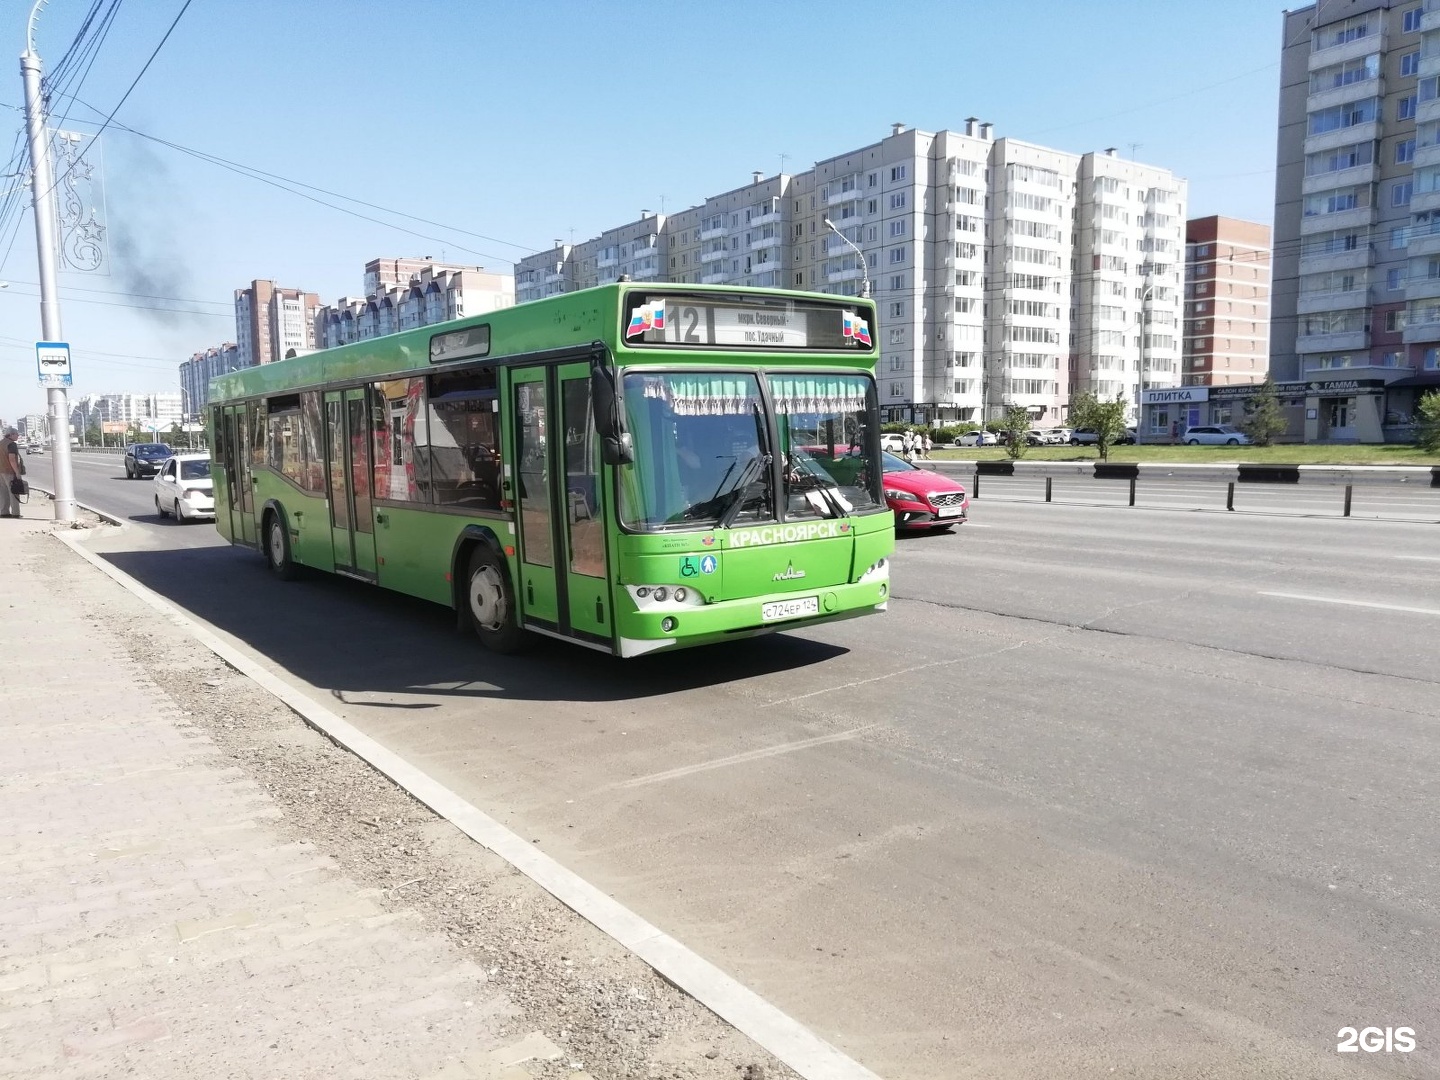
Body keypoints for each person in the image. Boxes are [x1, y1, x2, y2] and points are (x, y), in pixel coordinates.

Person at [0, 427, 22, 518]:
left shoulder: (1, 443)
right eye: (17, 434)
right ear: (11, 435)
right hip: (9, 471)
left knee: (3, 492)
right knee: (14, 491)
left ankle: (4, 512)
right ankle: (15, 513)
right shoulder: (12, 444)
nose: (18, 436)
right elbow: (12, 459)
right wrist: (17, 472)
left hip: (1, 471)